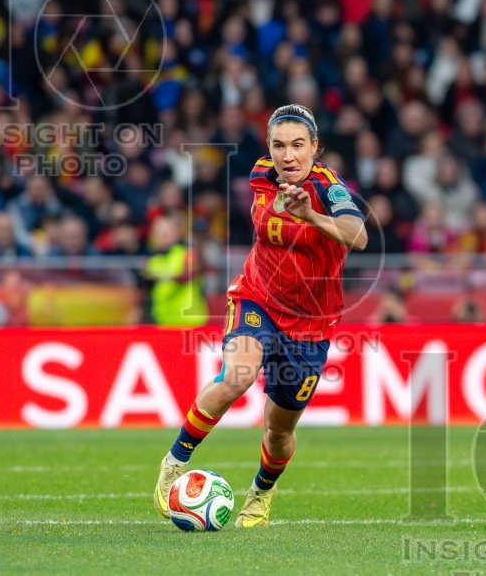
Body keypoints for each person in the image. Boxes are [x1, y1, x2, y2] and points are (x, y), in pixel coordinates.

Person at [153, 104, 367, 527]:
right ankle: (174, 462)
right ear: (268, 148)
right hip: (257, 298)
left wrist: (309, 215)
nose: (288, 156)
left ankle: (261, 493)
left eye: (298, 146)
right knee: (237, 375)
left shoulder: (329, 188)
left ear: (315, 148)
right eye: (279, 145)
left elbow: (358, 236)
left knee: (279, 430)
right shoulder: (260, 175)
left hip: (310, 325)